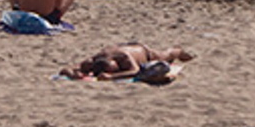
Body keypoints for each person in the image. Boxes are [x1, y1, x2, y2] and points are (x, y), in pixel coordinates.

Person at [60, 44, 194, 80]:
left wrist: (112, 77)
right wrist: (73, 74)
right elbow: (65, 69)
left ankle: (179, 50)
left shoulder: (123, 57)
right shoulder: (92, 61)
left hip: (144, 52)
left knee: (168, 55)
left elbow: (135, 71)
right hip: (121, 47)